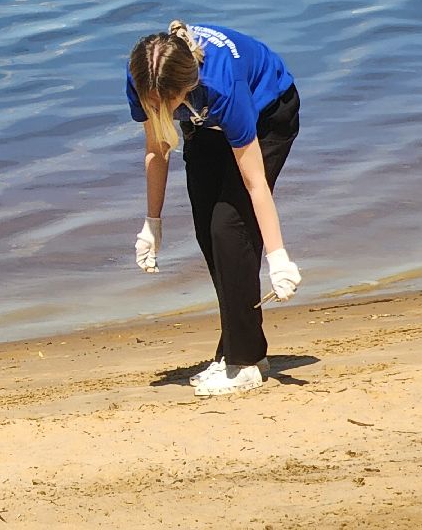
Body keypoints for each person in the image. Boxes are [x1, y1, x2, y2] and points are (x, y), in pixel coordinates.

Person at [125, 20, 302, 396]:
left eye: (163, 105)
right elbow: (157, 149)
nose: (156, 111)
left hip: (268, 113)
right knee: (207, 230)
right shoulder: (143, 76)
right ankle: (241, 345)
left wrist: (278, 257)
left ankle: (244, 362)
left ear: (185, 90)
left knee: (229, 226)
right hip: (205, 124)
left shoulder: (222, 86)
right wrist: (151, 223)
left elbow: (254, 182)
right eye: (150, 104)